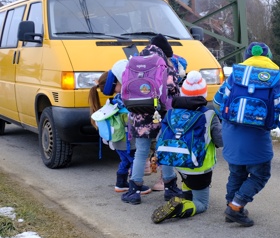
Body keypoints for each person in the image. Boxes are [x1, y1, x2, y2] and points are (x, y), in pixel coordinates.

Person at [218, 42, 280, 227]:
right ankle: (236, 207)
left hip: (231, 132)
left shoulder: (236, 75)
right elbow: (277, 106)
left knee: (236, 173)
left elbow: (218, 101)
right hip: (257, 136)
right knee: (260, 175)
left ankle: (231, 206)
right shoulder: (273, 77)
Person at [151, 70, 223, 223]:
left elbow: (161, 137)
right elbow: (221, 141)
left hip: (178, 162)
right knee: (202, 204)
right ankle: (181, 208)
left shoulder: (171, 113)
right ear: (203, 93)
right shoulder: (208, 115)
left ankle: (184, 197)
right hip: (200, 166)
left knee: (188, 185)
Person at [121, 34, 183, 205]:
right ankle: (170, 187)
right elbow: (173, 90)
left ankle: (134, 190)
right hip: (161, 114)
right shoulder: (165, 65)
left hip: (138, 113)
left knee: (141, 152)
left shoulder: (134, 61)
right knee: (166, 150)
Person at [88, 60, 151, 194]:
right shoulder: (123, 100)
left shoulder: (114, 100)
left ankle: (121, 183)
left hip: (118, 141)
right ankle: (135, 185)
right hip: (126, 141)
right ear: (114, 84)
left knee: (125, 161)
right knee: (135, 161)